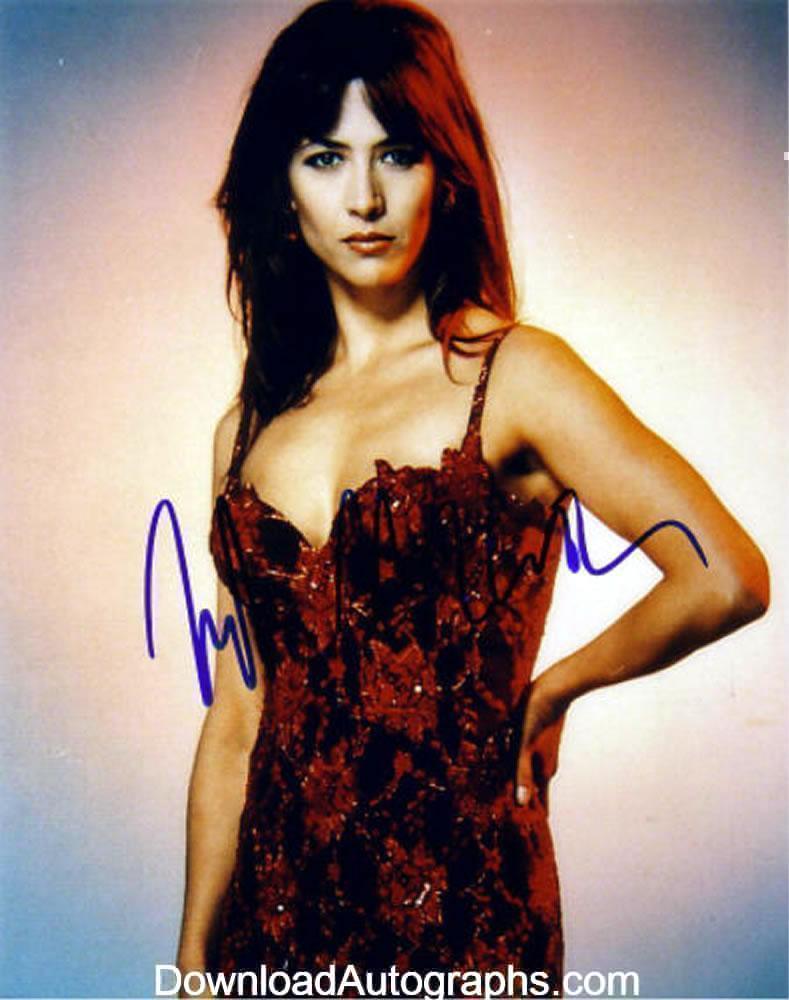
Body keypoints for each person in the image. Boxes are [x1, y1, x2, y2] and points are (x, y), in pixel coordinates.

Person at [175, 0, 770, 994]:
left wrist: (557, 686)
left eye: (396, 153)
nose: (364, 196)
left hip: (461, 907)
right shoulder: (244, 431)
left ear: (445, 175)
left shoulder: (516, 375)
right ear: (282, 189)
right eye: (325, 158)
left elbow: (727, 576)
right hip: (273, 917)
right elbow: (239, 712)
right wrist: (195, 952)